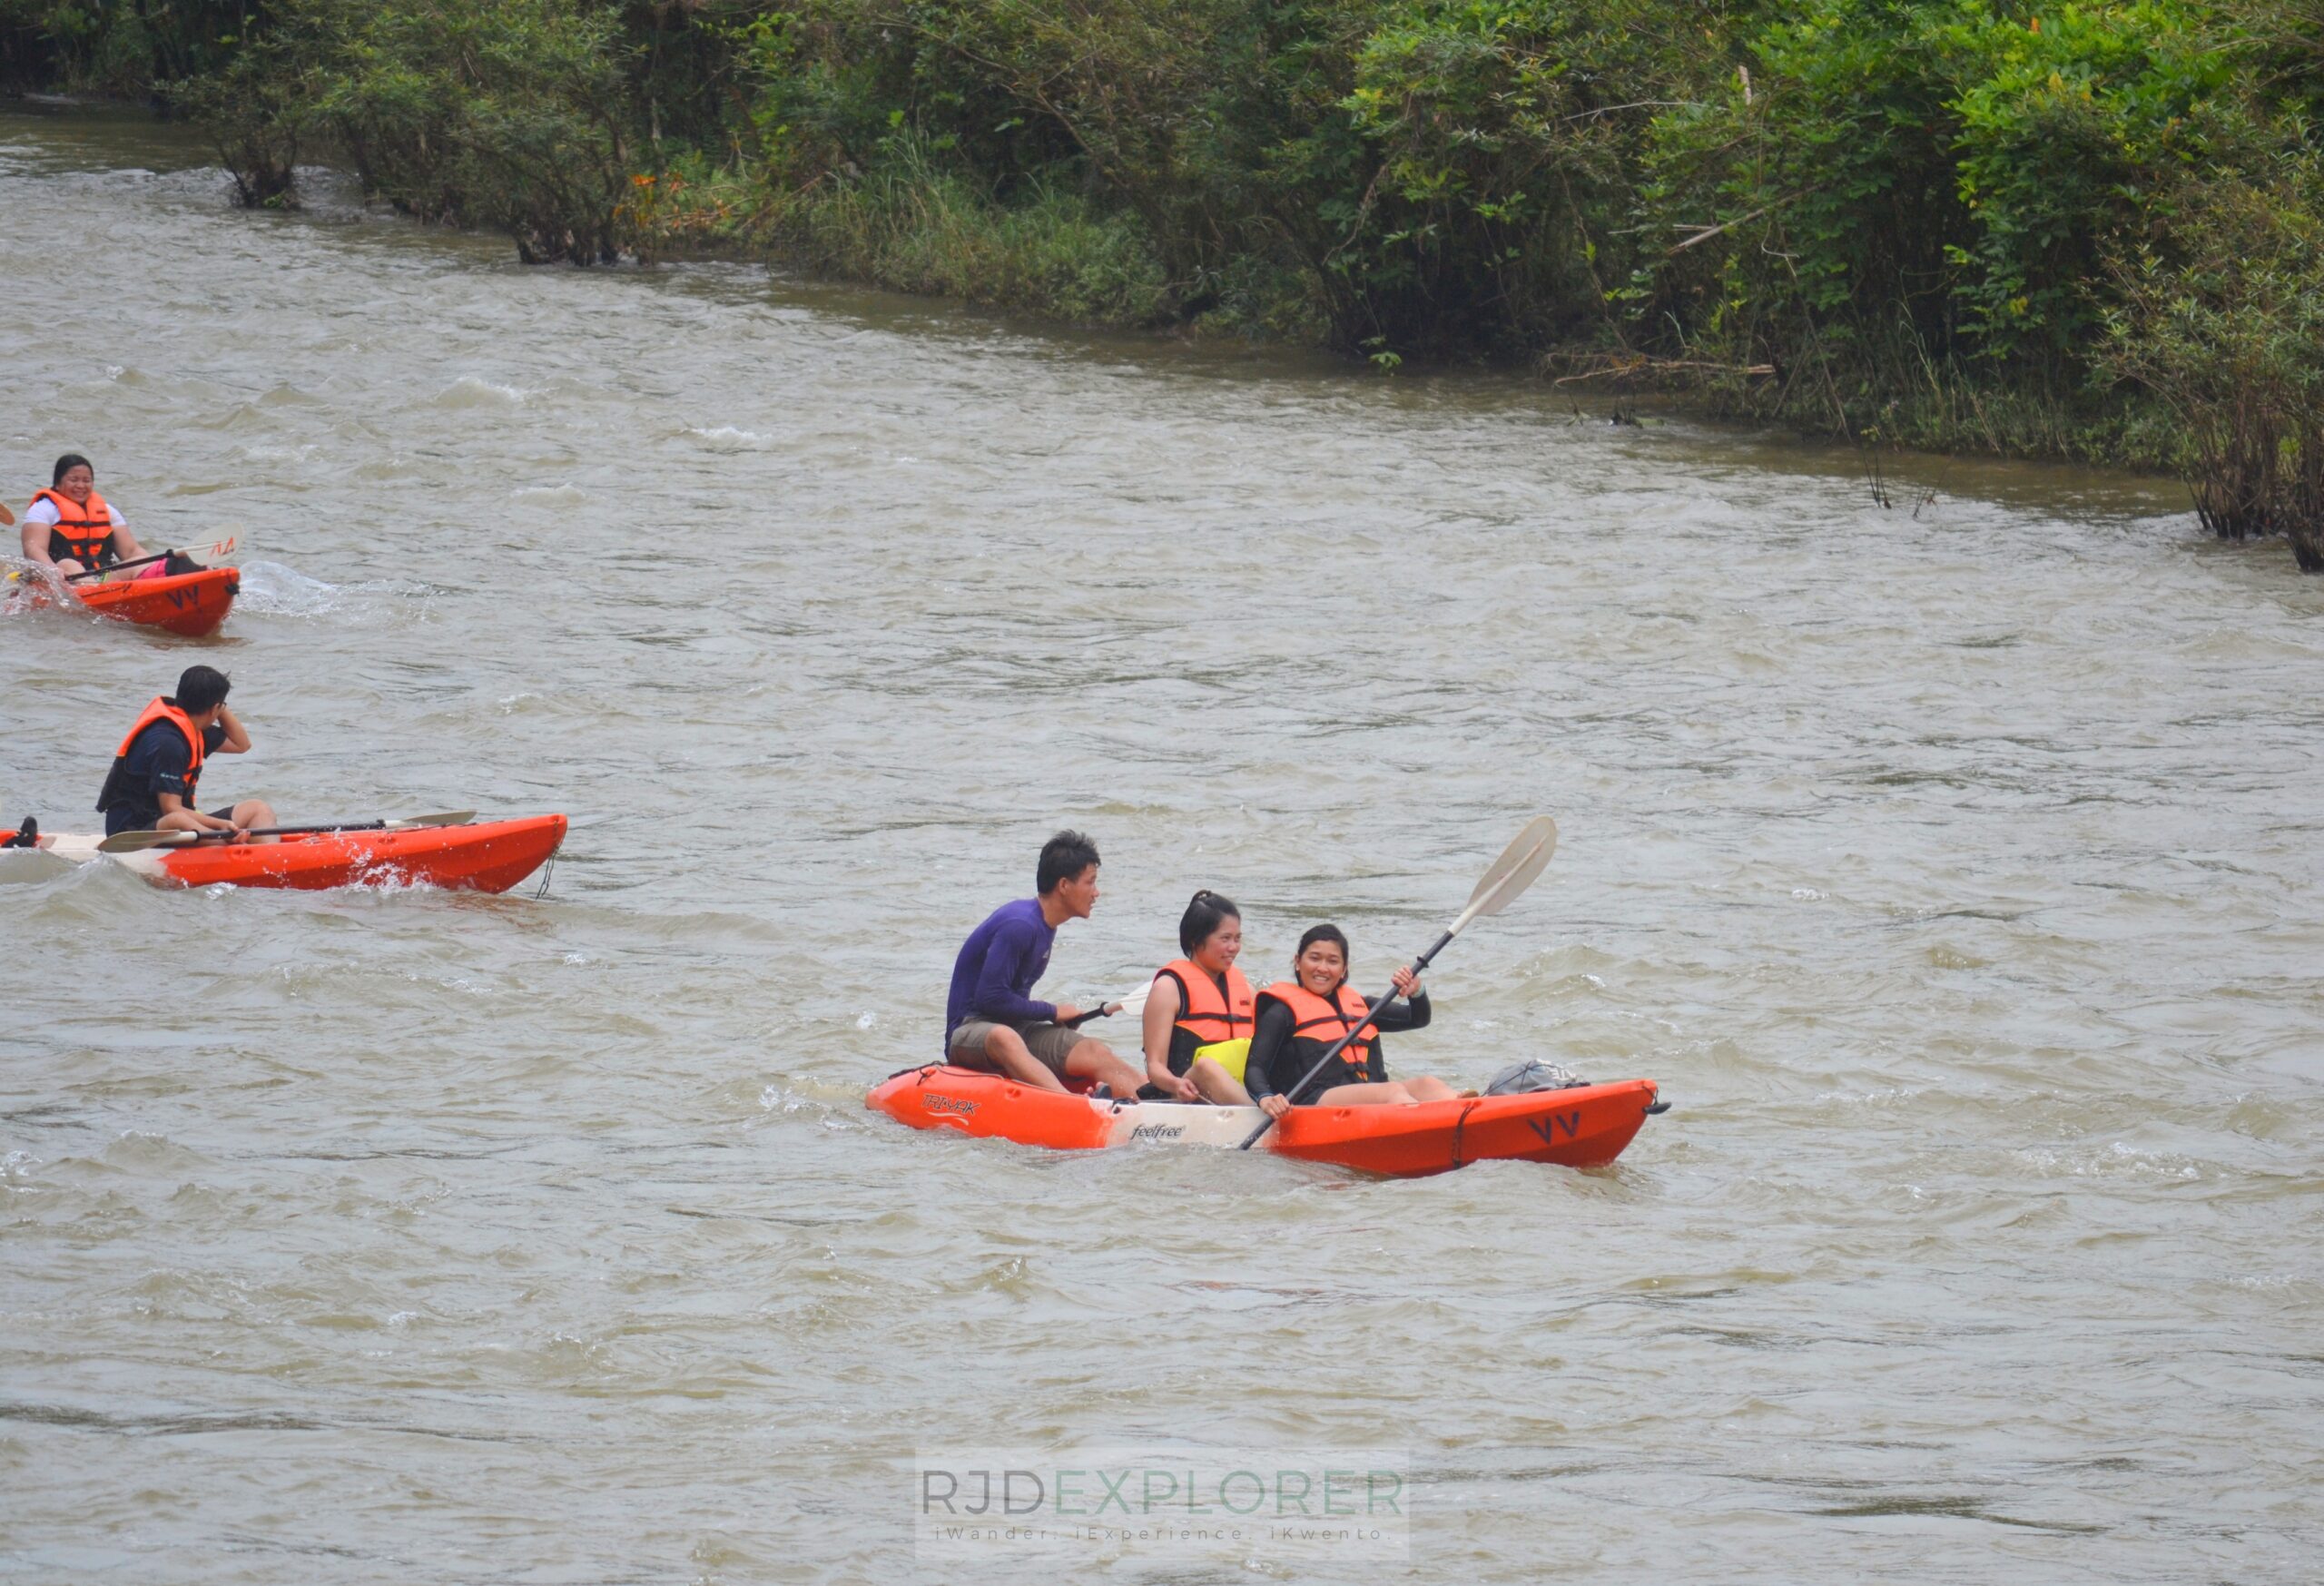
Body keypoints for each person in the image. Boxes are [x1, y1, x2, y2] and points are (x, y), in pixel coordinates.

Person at [942, 830, 1147, 1098]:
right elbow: (989, 999)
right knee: (1004, 1037)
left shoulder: (1045, 925)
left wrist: (1053, 1018)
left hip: (1015, 1027)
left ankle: (1160, 1102)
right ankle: (1073, 1105)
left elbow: (1008, 1003)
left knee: (1094, 1051)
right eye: (1090, 882)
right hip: (969, 1030)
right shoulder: (1020, 925)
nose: (1096, 893)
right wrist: (1051, 1012)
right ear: (1064, 886)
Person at [1244, 923, 1458, 1118]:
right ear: (1298, 962)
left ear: (1344, 969)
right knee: (1392, 1091)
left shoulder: (1362, 1006)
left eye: (1333, 961)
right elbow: (1255, 1068)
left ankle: (1465, 1114)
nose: (1323, 968)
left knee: (1428, 1085)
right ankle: (1427, 1125)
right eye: (1314, 958)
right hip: (1314, 1103)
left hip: (1371, 1096)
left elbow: (1418, 1019)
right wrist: (1265, 1097)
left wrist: (1416, 991)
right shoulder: (1281, 1012)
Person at [96, 665, 276, 838]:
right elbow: (170, 809)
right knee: (178, 819)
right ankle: (222, 844)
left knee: (258, 809)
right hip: (134, 830)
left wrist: (219, 703)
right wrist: (217, 825)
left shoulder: (196, 730)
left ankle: (268, 862)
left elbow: (241, 744)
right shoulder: (168, 743)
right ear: (214, 708)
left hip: (174, 823)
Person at [1138, 889, 1257, 1104]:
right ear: (1195, 940)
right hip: (1187, 1092)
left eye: (1237, 939)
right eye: (1225, 938)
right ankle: (1267, 1122)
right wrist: (1177, 1085)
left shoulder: (1246, 991)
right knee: (1206, 1066)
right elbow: (1155, 1067)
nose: (1234, 947)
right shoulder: (1168, 989)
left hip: (1240, 1090)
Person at [20, 454, 152, 582]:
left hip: (104, 579)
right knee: (69, 564)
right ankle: (92, 590)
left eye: (86, 481)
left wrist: (158, 564)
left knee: (138, 563)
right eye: (74, 480)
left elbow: (131, 551)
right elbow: (34, 548)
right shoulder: (42, 510)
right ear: (58, 484)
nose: (81, 486)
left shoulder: (108, 512)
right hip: (65, 579)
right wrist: (53, 570)